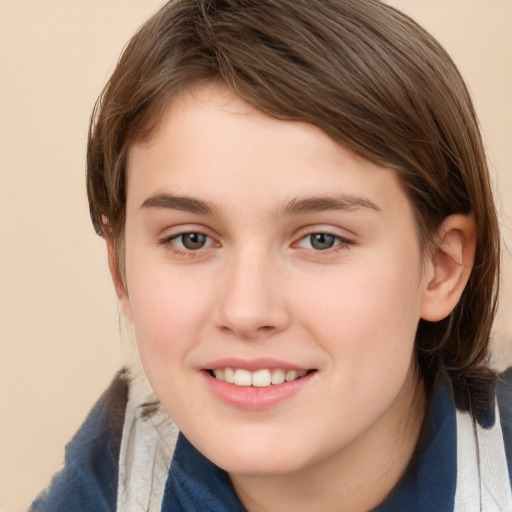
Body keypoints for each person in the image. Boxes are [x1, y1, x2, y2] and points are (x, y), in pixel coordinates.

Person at [29, 0, 511, 510]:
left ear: (441, 267)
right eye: (190, 239)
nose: (247, 310)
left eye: (321, 239)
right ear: (120, 270)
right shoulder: (102, 489)